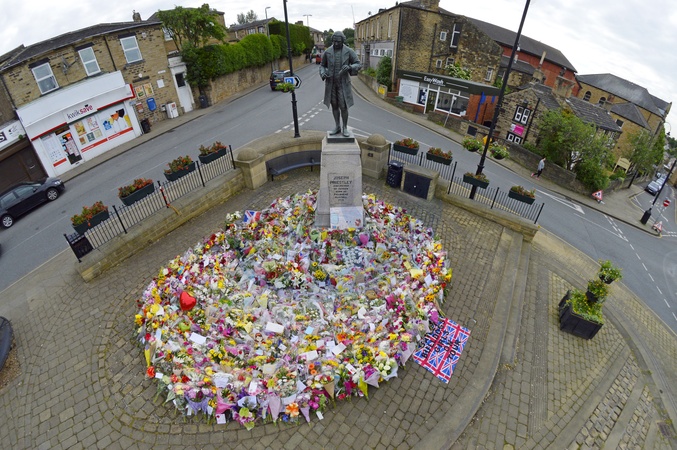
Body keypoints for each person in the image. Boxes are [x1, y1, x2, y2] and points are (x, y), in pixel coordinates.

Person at [320, 31, 361, 137]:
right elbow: (322, 65)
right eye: (334, 41)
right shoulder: (328, 51)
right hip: (331, 84)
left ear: (343, 41)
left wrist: (350, 67)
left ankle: (345, 127)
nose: (336, 43)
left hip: (343, 84)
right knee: (334, 105)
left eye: (338, 41)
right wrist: (323, 73)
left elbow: (358, 64)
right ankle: (337, 126)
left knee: (343, 106)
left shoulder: (349, 51)